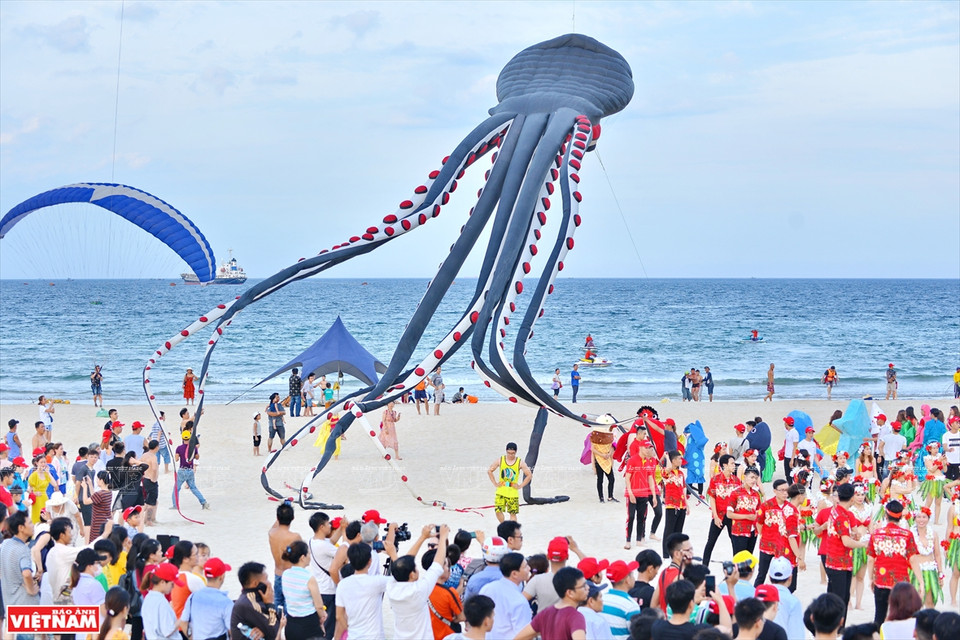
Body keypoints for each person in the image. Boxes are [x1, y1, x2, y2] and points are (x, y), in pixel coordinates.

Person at [334, 543, 392, 640]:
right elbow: (401, 578)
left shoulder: (342, 584)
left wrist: (350, 630)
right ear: (370, 561)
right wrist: (392, 553)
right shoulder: (377, 582)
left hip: (354, 636)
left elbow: (339, 616)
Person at [823, 483, 867, 609]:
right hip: (839, 563)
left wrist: (855, 535)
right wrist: (862, 544)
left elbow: (850, 533)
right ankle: (838, 628)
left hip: (835, 560)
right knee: (840, 601)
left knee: (835, 599)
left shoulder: (838, 512)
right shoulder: (842, 517)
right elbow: (846, 542)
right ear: (852, 498)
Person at [514, 567, 588, 640]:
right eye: (583, 586)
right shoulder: (575, 617)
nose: (588, 588)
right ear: (570, 593)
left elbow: (519, 637)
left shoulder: (545, 613)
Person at [277, 541, 327, 639]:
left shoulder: (285, 574)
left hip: (291, 623)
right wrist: (322, 617)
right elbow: (319, 606)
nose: (310, 556)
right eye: (308, 553)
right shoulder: (309, 578)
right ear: (302, 557)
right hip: (308, 624)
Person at [652, 579, 730, 640]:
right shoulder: (699, 631)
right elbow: (727, 630)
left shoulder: (657, 627)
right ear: (690, 604)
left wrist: (691, 600)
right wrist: (720, 601)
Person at [479, 550, 531, 639]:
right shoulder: (519, 600)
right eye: (525, 566)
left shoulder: (487, 588)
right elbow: (524, 635)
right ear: (514, 574)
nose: (529, 568)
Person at [702, 453, 741, 565]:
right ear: (724, 465)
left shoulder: (736, 481)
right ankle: (704, 566)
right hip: (719, 514)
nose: (734, 465)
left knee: (735, 543)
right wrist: (715, 516)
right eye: (732, 463)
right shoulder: (715, 480)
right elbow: (712, 498)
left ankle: (737, 567)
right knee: (711, 542)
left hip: (732, 516)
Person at [230, 562, 284, 640]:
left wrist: (265, 631)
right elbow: (275, 631)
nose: (269, 582)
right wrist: (270, 604)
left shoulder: (254, 598)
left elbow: (271, 627)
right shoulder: (249, 602)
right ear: (255, 583)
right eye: (266, 578)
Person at [0, 511, 40, 612]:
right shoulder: (23, 549)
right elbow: (26, 573)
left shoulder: (5, 544)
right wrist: (31, 589)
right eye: (30, 523)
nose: (33, 526)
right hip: (25, 602)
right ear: (21, 528)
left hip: (9, 601)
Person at [268, 501, 302, 611]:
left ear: (277, 517)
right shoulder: (294, 536)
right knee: (289, 604)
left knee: (278, 601)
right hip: (290, 575)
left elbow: (275, 525)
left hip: (277, 572)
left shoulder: (272, 533)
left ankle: (278, 626)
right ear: (293, 518)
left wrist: (282, 510)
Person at [487, 442, 532, 523]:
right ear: (506, 451)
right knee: (498, 510)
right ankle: (503, 525)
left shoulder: (520, 462)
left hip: (512, 492)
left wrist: (520, 486)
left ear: (516, 452)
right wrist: (495, 483)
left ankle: (511, 530)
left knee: (512, 513)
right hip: (501, 491)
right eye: (509, 453)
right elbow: (490, 471)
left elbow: (529, 475)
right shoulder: (501, 460)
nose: (510, 455)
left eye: (513, 453)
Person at [141, 562, 184, 640]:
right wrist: (183, 617)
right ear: (162, 582)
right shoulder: (161, 602)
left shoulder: (148, 598)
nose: (173, 587)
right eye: (172, 584)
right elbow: (167, 631)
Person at [652, 533, 693, 614]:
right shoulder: (679, 577)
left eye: (691, 549)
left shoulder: (664, 572)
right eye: (688, 550)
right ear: (677, 554)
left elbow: (653, 605)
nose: (691, 553)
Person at [727, 467, 762, 555]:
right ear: (745, 477)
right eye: (752, 477)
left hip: (753, 531)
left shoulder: (756, 494)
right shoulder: (736, 493)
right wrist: (746, 516)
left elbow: (759, 512)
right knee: (739, 559)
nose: (754, 480)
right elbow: (729, 514)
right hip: (739, 530)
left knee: (749, 558)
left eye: (756, 478)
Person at [600, 559, 640, 634]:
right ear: (627, 580)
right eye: (632, 575)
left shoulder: (601, 599)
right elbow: (637, 635)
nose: (634, 578)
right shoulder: (631, 606)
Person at [172, 428, 209, 510]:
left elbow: (176, 459)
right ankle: (204, 503)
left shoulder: (179, 448)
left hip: (182, 471)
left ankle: (175, 505)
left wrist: (177, 455)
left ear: (182, 438)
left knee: (176, 489)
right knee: (193, 488)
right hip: (190, 470)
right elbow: (197, 457)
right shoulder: (193, 448)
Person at [767, 557, 803, 640]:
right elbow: (797, 634)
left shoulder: (759, 596)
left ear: (769, 577)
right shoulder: (793, 602)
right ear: (790, 578)